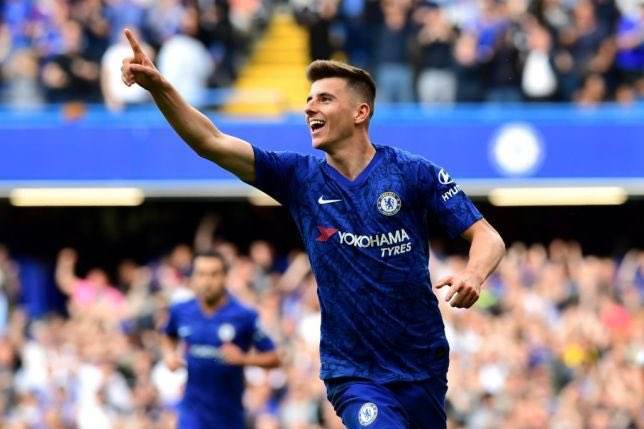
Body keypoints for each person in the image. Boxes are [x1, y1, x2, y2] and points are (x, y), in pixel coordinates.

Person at [122, 28, 505, 428]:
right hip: (354, 372)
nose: (309, 108)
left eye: (324, 99)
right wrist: (160, 88)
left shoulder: (411, 172)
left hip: (421, 363)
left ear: (360, 113)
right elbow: (210, 141)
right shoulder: (299, 178)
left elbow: (487, 236)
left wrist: (474, 274)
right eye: (308, 99)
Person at [162, 251, 280, 428]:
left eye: (214, 274)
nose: (207, 281)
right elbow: (168, 334)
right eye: (201, 274)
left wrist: (243, 359)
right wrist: (169, 354)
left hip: (228, 415)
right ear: (194, 277)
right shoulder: (181, 310)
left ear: (225, 276)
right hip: (192, 412)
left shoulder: (244, 315)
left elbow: (275, 358)